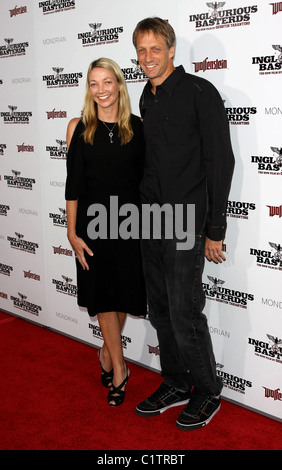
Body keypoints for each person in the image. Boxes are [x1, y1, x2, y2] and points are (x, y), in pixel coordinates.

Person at [132, 18, 235, 429]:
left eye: (155, 49)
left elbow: (220, 162)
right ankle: (175, 382)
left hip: (186, 223)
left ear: (171, 50)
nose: (147, 58)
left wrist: (215, 229)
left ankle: (207, 390)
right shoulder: (146, 98)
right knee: (159, 310)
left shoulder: (199, 93)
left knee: (184, 313)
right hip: (150, 221)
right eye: (141, 50)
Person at [65, 58, 147, 407]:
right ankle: (120, 367)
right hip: (92, 227)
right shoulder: (77, 128)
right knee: (103, 298)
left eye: (107, 82)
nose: (101, 90)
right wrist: (71, 232)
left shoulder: (139, 128)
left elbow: (148, 182)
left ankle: (106, 349)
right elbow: (72, 187)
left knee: (124, 295)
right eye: (93, 84)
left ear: (119, 85)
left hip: (130, 225)